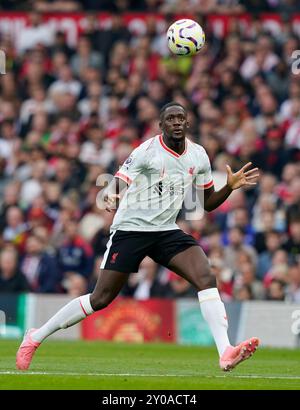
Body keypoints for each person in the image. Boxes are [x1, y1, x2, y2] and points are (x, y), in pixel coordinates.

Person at [16, 102, 260, 372]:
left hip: (166, 229)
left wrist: (230, 186)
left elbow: (209, 202)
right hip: (131, 229)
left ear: (188, 123)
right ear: (161, 125)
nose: (177, 122)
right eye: (171, 119)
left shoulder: (199, 155)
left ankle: (225, 351)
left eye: (181, 118)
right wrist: (111, 193)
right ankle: (35, 337)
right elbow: (120, 179)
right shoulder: (146, 151)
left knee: (205, 276)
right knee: (100, 298)